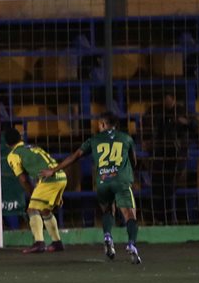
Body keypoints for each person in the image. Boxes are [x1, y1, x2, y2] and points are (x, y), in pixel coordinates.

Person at [41, 113, 142, 264]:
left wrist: (54, 170)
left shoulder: (94, 140)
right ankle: (132, 245)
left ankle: (107, 236)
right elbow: (134, 160)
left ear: (103, 124)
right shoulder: (126, 138)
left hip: (103, 181)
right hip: (121, 181)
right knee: (130, 215)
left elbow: (75, 156)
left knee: (107, 211)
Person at [4, 126, 67, 254]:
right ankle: (57, 243)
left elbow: (23, 179)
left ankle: (39, 243)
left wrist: (32, 193)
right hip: (61, 176)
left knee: (32, 209)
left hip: (49, 180)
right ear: (21, 138)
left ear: (6, 144)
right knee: (45, 210)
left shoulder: (13, 154)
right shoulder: (33, 147)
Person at [144, 92, 199, 225]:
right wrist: (149, 142)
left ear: (173, 99)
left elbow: (196, 125)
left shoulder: (182, 111)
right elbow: (149, 128)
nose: (166, 102)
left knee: (170, 186)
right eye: (164, 99)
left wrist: (185, 122)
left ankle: (174, 218)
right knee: (157, 185)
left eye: (168, 99)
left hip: (177, 155)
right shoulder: (157, 111)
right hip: (160, 155)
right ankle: (158, 218)